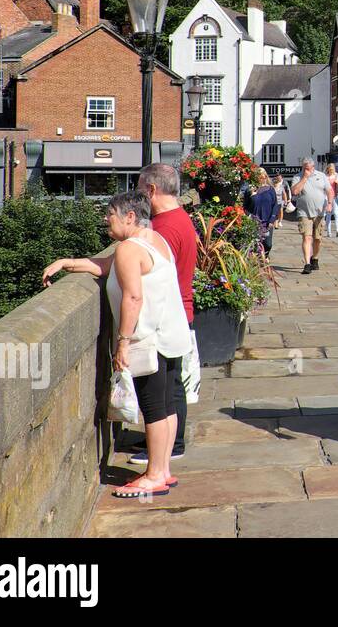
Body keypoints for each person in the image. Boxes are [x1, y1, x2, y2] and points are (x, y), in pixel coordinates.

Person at [42, 192, 191, 497]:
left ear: (129, 217)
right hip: (171, 335)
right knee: (166, 406)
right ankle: (163, 470)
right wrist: (67, 263)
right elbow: (106, 265)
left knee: (153, 409)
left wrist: (123, 343)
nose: (105, 220)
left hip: (149, 338)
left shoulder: (129, 248)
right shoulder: (154, 239)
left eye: (109, 214)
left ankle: (152, 476)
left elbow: (133, 297)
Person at [130, 162, 198, 464]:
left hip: (168, 313)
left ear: (152, 189)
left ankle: (171, 445)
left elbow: (149, 268)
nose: (138, 194)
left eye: (140, 187)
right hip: (179, 310)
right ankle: (172, 441)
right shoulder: (178, 218)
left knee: (164, 389)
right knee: (171, 385)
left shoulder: (167, 226)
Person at [292, 157, 333, 275]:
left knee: (318, 239)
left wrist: (330, 204)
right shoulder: (297, 177)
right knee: (307, 237)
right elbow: (295, 191)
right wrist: (304, 178)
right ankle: (307, 264)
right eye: (304, 168)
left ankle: (314, 258)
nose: (306, 170)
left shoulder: (321, 176)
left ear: (313, 167)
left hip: (320, 212)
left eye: (308, 169)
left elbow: (330, 191)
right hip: (304, 212)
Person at [251, 167, 279, 256]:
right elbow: (245, 204)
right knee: (255, 242)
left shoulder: (270, 189)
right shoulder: (252, 189)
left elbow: (275, 205)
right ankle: (259, 259)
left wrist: (272, 219)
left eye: (264, 177)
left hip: (267, 221)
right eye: (260, 177)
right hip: (254, 220)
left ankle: (265, 255)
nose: (262, 179)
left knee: (268, 244)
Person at [325, 163, 338, 238]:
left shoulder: (337, 175)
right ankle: (329, 232)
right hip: (327, 197)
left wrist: (337, 182)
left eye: (333, 169)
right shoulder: (325, 176)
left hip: (335, 197)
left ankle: (337, 230)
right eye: (330, 169)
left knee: (336, 213)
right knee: (328, 215)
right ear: (328, 169)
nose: (331, 171)